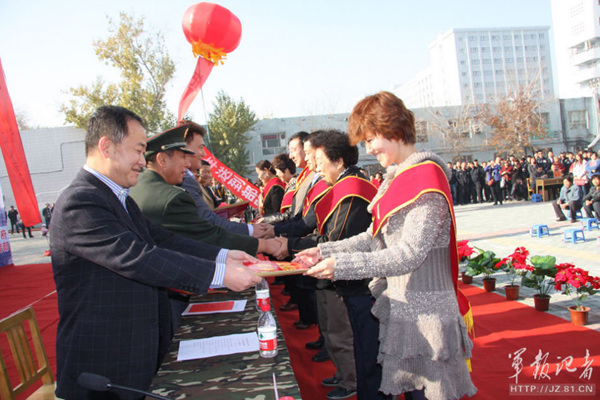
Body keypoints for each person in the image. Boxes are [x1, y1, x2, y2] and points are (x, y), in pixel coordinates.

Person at [50, 105, 262, 400]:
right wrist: (219, 274)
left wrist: (223, 256)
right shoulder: (81, 201)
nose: (142, 161)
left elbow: (162, 240)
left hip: (135, 350)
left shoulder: (118, 197)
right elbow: (137, 257)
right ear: (106, 147)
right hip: (104, 364)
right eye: (138, 151)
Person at [296, 92, 476, 400]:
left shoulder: (426, 179)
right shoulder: (396, 177)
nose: (367, 149)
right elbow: (372, 236)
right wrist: (324, 251)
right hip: (404, 311)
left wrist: (341, 266)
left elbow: (409, 254)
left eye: (370, 140)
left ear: (391, 129)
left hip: (428, 317)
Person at [129, 124, 283, 329]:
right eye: (182, 157)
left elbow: (174, 240)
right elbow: (206, 235)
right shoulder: (170, 197)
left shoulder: (138, 188)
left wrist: (227, 256)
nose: (188, 163)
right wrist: (263, 246)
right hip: (168, 293)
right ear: (162, 159)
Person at [279, 130, 380, 400]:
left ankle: (351, 379)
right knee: (335, 329)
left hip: (353, 279)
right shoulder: (340, 184)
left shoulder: (353, 189)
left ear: (337, 160)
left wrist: (290, 245)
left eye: (319, 159)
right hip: (336, 271)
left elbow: (339, 238)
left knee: (347, 334)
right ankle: (347, 375)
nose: (316, 165)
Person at [179, 122, 266, 237]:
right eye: (200, 147)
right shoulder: (185, 180)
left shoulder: (189, 180)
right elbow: (208, 220)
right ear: (185, 148)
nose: (203, 154)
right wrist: (252, 231)